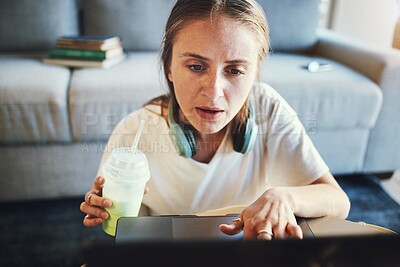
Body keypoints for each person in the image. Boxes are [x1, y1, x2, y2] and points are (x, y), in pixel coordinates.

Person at [79, 0, 350, 240]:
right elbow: (125, 232)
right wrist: (108, 206)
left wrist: (286, 197)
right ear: (169, 67)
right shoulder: (133, 131)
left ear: (255, 73)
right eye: (196, 67)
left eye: (234, 70)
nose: (213, 91)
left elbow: (338, 201)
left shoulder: (269, 110)